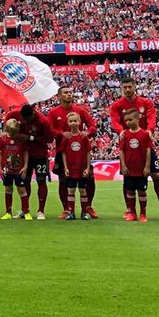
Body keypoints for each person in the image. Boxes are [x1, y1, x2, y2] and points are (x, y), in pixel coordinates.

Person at [109, 78, 159, 220]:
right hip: (128, 146)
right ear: (121, 88)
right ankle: (129, 210)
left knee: (156, 175)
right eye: (124, 87)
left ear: (135, 86)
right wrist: (120, 131)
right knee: (128, 177)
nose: (127, 89)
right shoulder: (117, 105)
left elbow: (151, 118)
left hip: (145, 144)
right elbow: (114, 121)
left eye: (129, 86)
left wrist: (150, 130)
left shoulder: (146, 103)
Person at [47, 87, 97, 219]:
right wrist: (61, 133)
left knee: (89, 179)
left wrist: (88, 132)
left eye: (70, 92)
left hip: (81, 152)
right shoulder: (53, 112)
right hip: (63, 151)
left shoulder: (80, 110)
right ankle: (67, 209)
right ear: (59, 96)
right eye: (66, 92)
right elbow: (50, 129)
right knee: (64, 181)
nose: (69, 94)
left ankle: (88, 207)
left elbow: (92, 126)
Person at [5, 103, 53, 220]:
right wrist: (7, 131)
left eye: (28, 119)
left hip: (40, 155)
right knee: (24, 182)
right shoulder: (15, 114)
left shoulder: (43, 121)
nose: (25, 121)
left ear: (33, 114)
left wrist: (30, 138)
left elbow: (49, 139)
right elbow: (7, 120)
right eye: (23, 118)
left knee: (41, 181)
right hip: (23, 155)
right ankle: (24, 210)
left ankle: (41, 211)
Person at [117, 108, 153, 223]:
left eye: (130, 120)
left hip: (141, 168)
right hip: (129, 168)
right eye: (126, 120)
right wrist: (123, 165)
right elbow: (121, 150)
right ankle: (132, 213)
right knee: (130, 191)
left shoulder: (145, 134)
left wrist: (147, 166)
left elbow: (148, 151)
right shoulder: (124, 135)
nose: (128, 122)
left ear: (138, 119)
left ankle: (143, 213)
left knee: (142, 192)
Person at [58, 112, 94, 220]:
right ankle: (71, 213)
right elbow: (63, 153)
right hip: (71, 169)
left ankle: (83, 213)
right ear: (68, 123)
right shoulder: (66, 137)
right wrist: (65, 167)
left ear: (79, 122)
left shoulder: (83, 137)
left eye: (75, 121)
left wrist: (88, 168)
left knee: (83, 191)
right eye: (71, 121)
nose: (73, 123)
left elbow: (88, 152)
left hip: (82, 169)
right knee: (71, 191)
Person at [0, 119, 30, 221]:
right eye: (11, 132)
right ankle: (8, 212)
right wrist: (0, 168)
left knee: (21, 189)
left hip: (19, 169)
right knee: (8, 189)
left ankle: (26, 211)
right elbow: (0, 153)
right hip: (7, 170)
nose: (13, 134)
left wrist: (26, 166)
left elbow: (25, 153)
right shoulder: (3, 139)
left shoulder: (21, 140)